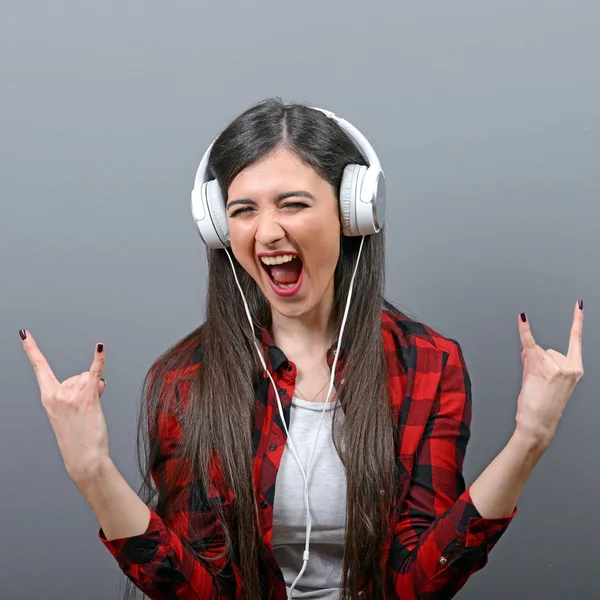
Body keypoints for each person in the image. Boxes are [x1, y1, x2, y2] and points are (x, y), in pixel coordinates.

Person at [20, 98, 585, 600]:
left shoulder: (429, 365)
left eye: (291, 204)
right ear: (220, 228)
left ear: (352, 213)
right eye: (243, 210)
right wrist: (92, 471)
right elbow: (198, 591)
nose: (267, 232)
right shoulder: (184, 380)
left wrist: (529, 441)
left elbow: (419, 582)